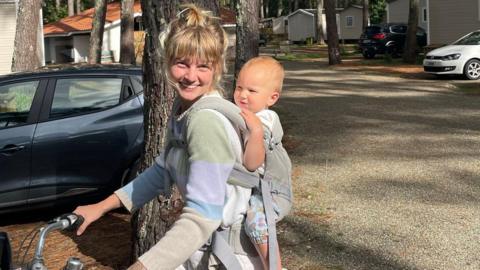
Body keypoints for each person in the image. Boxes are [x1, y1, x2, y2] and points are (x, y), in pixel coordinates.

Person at [73, 5, 262, 270]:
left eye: (203, 66)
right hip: (205, 250)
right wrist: (102, 206)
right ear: (167, 62)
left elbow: (203, 216)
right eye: (182, 63)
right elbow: (163, 170)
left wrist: (141, 267)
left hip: (226, 258)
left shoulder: (206, 121)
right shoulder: (184, 110)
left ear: (216, 69)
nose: (190, 76)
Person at [233, 56, 286, 270]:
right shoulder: (245, 115)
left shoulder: (265, 119)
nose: (242, 95)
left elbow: (252, 163)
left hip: (272, 191)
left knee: (256, 222)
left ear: (271, 98)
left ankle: (273, 266)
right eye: (238, 87)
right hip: (257, 187)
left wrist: (254, 131)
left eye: (252, 91)